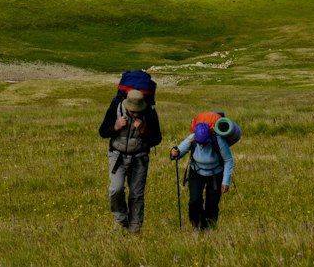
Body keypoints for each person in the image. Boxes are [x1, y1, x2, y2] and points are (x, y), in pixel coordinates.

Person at [98, 86, 161, 233]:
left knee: (136, 194)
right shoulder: (116, 108)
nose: (134, 113)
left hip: (139, 158)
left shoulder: (149, 113)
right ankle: (121, 221)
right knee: (116, 189)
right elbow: (102, 132)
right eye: (132, 110)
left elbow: (157, 139)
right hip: (117, 156)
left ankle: (135, 228)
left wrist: (144, 130)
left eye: (137, 111)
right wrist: (115, 126)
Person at [169, 120, 234, 230]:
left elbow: (228, 160)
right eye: (200, 143)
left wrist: (226, 181)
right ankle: (196, 225)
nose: (201, 145)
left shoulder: (218, 140)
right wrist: (174, 153)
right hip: (196, 173)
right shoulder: (193, 138)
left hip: (215, 174)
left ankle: (209, 227)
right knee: (194, 200)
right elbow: (180, 151)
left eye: (204, 143)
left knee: (212, 203)